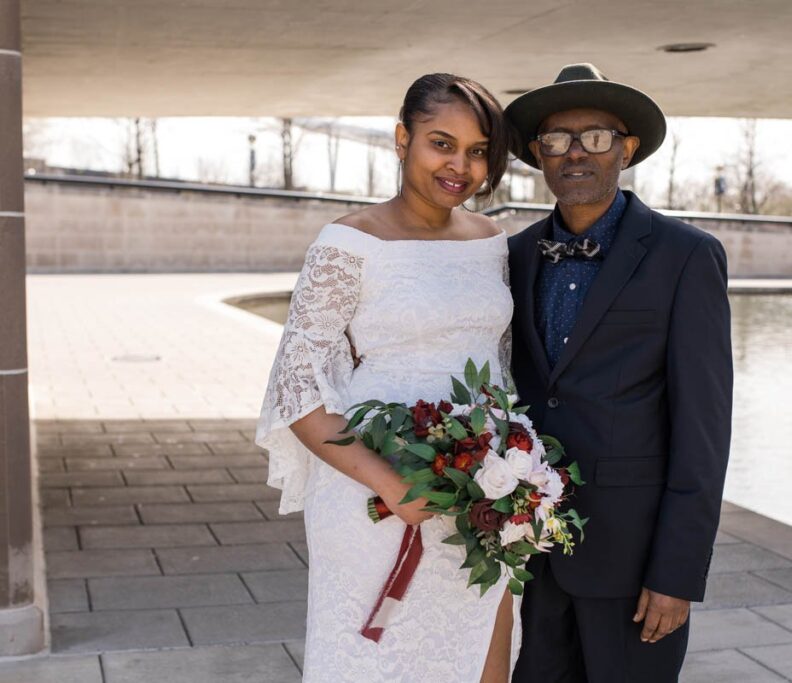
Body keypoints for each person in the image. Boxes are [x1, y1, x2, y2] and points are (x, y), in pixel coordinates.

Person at [255, 73, 517, 683]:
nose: (460, 166)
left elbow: (500, 368)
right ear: (403, 140)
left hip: (484, 488)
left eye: (478, 151)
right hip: (373, 487)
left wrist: (516, 468)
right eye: (441, 143)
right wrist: (390, 483)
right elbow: (296, 388)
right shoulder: (349, 243)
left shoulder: (493, 242)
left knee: (485, 655)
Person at [505, 64, 733, 682]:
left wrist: (676, 574)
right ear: (537, 154)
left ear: (627, 149)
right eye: (556, 139)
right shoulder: (515, 255)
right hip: (530, 556)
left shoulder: (686, 256)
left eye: (596, 137)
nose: (575, 153)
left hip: (634, 568)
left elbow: (703, 435)